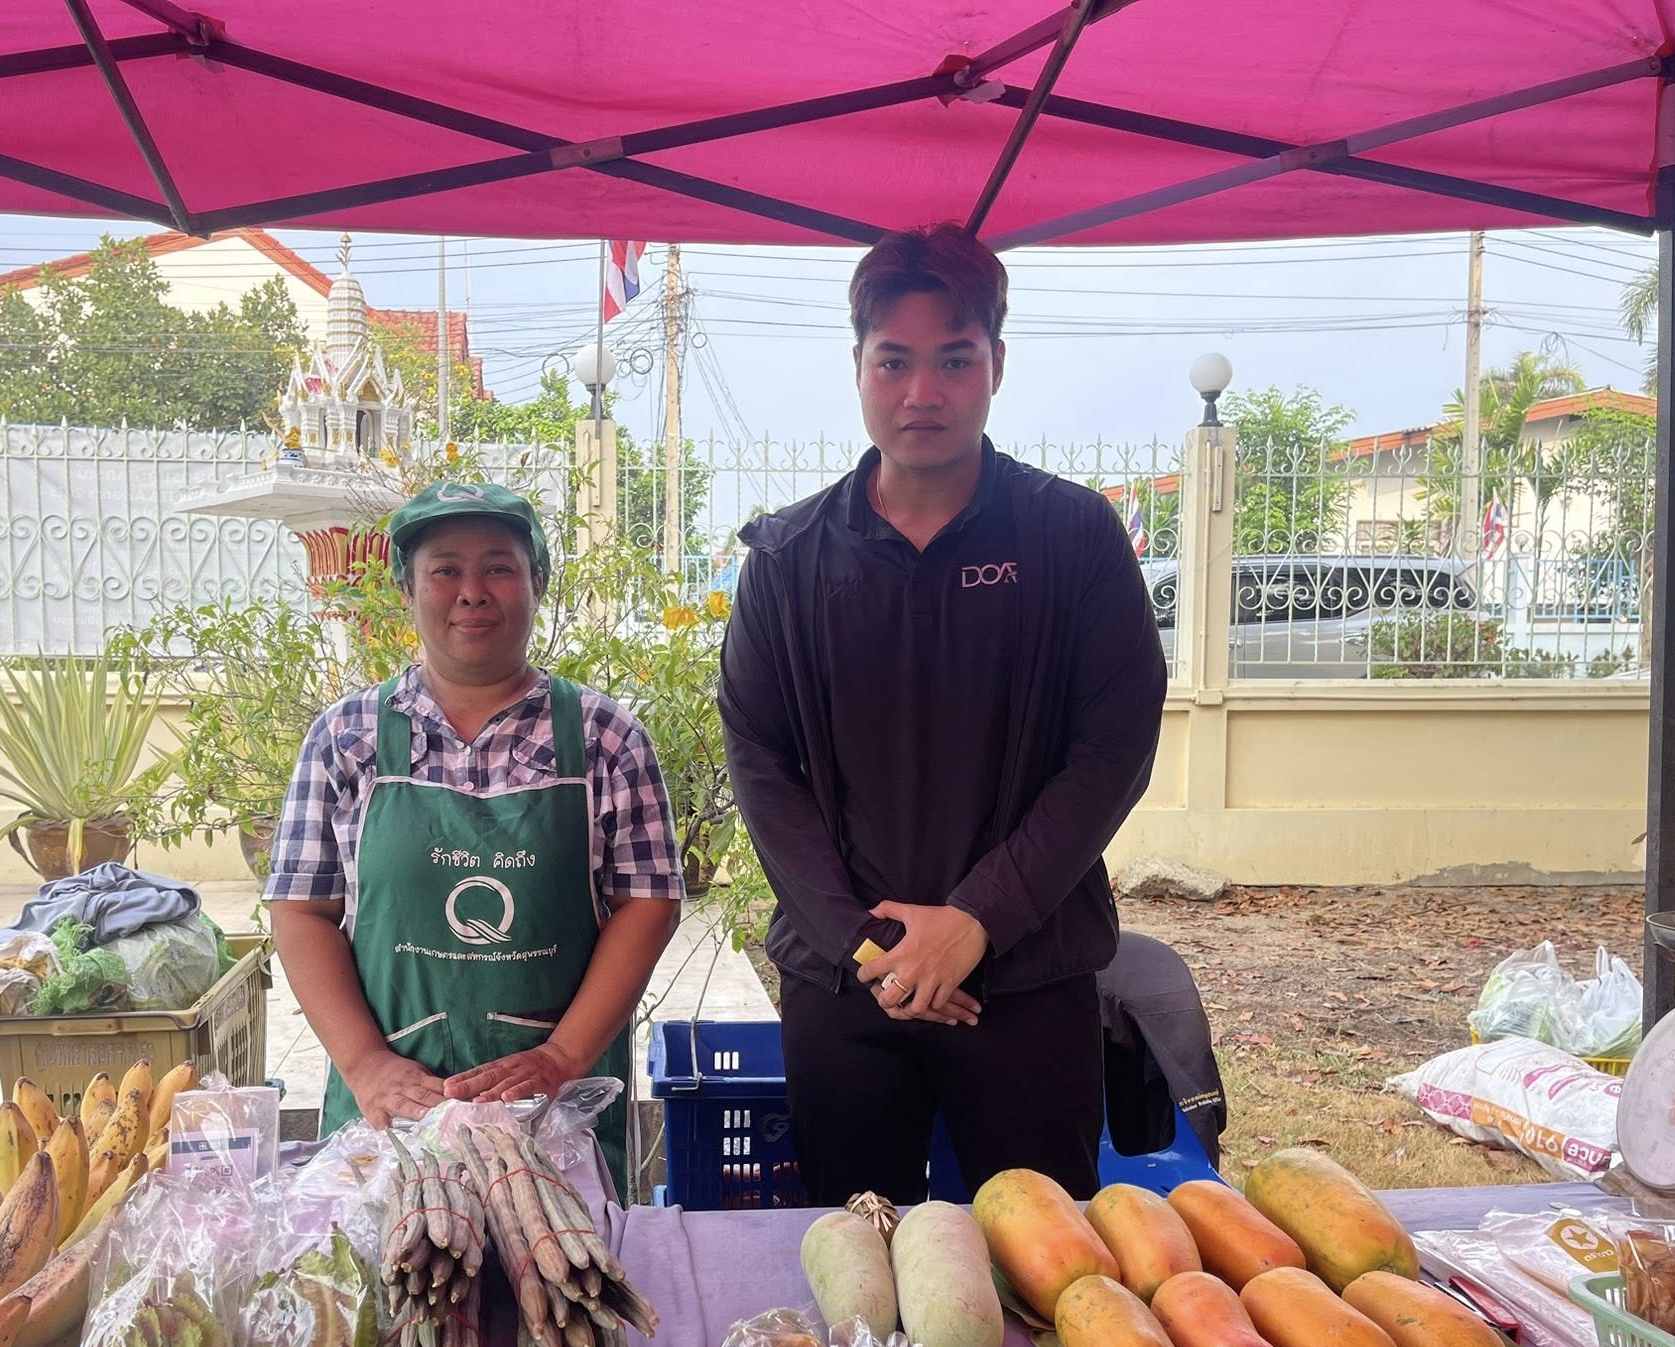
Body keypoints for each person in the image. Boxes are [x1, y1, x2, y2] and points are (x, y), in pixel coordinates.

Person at [718, 223, 1167, 1205]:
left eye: (953, 360)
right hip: (845, 984)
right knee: (856, 1259)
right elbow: (760, 762)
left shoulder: (1073, 539)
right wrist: (867, 943)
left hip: (1026, 976)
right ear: (857, 367)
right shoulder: (787, 560)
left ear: (996, 364)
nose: (921, 391)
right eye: (894, 361)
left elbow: (1112, 748)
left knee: (1042, 1267)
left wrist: (976, 920)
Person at [265, 480, 684, 1193]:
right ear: (407, 589)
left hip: (554, 1116)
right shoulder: (346, 737)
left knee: (560, 1260)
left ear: (537, 583)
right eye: (445, 570)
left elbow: (648, 904)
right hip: (392, 1118)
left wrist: (561, 1059)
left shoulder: (605, 738)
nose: (472, 592)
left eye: (498, 567)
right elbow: (301, 910)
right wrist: (366, 1064)